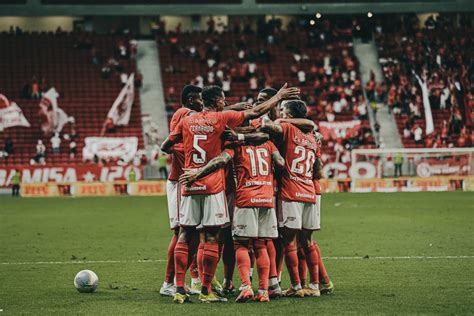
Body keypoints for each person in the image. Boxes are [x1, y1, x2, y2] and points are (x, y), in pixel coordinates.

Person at [161, 83, 299, 304]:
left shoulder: (187, 121)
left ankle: (178, 288)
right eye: (223, 100)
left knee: (185, 234)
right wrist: (280, 96)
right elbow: (255, 112)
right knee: (212, 237)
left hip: (188, 184)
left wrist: (188, 155)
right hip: (213, 186)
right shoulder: (220, 119)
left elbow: (166, 145)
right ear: (216, 102)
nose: (225, 102)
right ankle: (206, 291)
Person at [179, 136, 285, 303]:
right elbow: (280, 163)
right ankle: (264, 290)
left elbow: (222, 160)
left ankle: (246, 286)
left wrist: (198, 173)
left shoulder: (236, 145)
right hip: (267, 197)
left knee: (239, 243)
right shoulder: (269, 143)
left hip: (246, 197)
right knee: (261, 243)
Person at [260, 99, 321, 298]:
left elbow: (265, 125)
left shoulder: (287, 128)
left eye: (284, 111)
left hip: (290, 191)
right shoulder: (313, 137)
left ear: (291, 114)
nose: (282, 114)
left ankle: (295, 287)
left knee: (288, 242)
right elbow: (318, 169)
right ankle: (314, 286)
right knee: (308, 241)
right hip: (309, 192)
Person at [159, 85, 204, 298]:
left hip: (188, 180)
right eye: (199, 99)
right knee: (181, 233)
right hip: (180, 180)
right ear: (190, 99)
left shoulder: (192, 116)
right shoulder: (183, 113)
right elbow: (171, 144)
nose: (202, 103)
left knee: (192, 233)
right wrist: (190, 154)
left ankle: (188, 280)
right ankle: (169, 283)